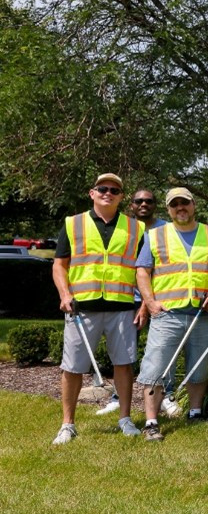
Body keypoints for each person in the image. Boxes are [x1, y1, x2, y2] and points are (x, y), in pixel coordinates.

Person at [50, 173, 146, 444]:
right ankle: (67, 424)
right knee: (72, 367)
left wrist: (145, 305)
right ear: (92, 193)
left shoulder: (136, 228)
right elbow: (59, 265)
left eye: (114, 190)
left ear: (121, 197)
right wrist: (65, 293)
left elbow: (144, 270)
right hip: (81, 308)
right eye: (102, 188)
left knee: (124, 365)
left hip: (122, 306)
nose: (108, 192)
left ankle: (125, 419)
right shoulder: (73, 224)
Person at [133, 188, 208, 440]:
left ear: (194, 205)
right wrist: (150, 303)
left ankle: (195, 413)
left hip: (201, 313)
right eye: (175, 204)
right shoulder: (155, 235)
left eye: (185, 203)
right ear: (168, 209)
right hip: (167, 313)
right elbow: (142, 271)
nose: (180, 208)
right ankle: (151, 422)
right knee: (155, 367)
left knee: (198, 367)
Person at [98, 188, 176, 417]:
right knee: (125, 353)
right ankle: (118, 397)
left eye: (149, 201)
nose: (144, 204)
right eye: (138, 201)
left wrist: (147, 302)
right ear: (131, 204)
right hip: (127, 299)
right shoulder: (126, 227)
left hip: (162, 299)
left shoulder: (166, 229)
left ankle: (165, 396)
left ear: (156, 204)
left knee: (165, 350)